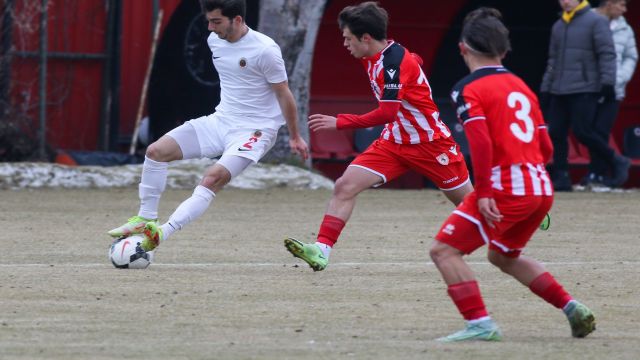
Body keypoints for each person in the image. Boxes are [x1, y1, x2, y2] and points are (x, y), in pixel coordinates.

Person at [429, 7, 595, 342]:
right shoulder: (521, 86)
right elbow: (547, 148)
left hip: (506, 186)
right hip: (539, 187)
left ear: (462, 48)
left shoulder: (467, 88)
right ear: (504, 51)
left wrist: (487, 191)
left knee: (443, 251)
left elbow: (481, 142)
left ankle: (480, 324)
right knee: (503, 255)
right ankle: (572, 307)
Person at [283, 1, 473, 271]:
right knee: (344, 186)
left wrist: (340, 122)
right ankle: (321, 250)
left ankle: (517, 217)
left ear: (366, 38)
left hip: (431, 145)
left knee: (470, 206)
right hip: (394, 143)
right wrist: (415, 67)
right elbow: (412, 64)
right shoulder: (373, 56)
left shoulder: (393, 63)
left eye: (348, 38)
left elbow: (387, 112)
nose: (345, 44)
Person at [107, 0, 308, 251]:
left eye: (216, 21)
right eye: (208, 21)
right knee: (155, 152)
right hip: (220, 121)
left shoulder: (265, 49)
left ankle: (161, 233)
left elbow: (283, 93)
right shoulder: (214, 41)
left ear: (237, 20)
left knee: (212, 178)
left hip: (255, 131)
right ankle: (146, 218)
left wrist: (295, 136)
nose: (210, 28)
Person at [540, 0, 630, 191]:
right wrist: (546, 87)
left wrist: (608, 82)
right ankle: (561, 176)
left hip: (585, 87)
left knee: (583, 131)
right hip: (559, 87)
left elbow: (607, 54)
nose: (565, 1)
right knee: (556, 132)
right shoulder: (558, 25)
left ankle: (616, 160)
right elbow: (553, 60)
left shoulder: (595, 21)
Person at [584, 0, 638, 187]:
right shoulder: (585, 19)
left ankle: (596, 173)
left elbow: (631, 56)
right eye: (621, 5)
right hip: (587, 87)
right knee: (584, 129)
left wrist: (619, 77)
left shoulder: (625, 28)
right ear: (609, 4)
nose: (624, 10)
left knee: (601, 131)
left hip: (614, 89)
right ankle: (612, 163)